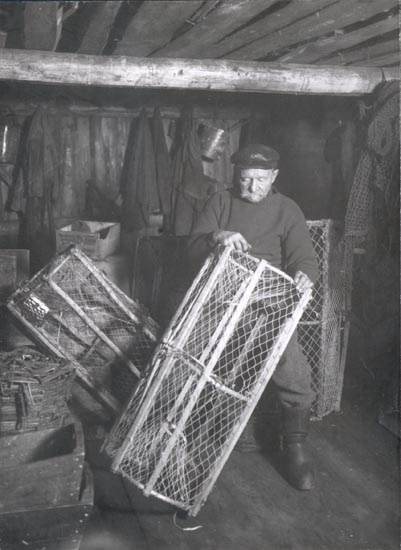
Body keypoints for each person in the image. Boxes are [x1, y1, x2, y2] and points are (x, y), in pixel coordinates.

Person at [187, 143, 319, 491]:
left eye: (260, 179)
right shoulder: (220, 202)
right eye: (245, 179)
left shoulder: (288, 209)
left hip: (268, 303)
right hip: (221, 297)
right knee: (191, 353)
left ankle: (295, 448)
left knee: (291, 363)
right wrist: (216, 236)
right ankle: (183, 434)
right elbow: (191, 248)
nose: (252, 187)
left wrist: (305, 275)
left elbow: (304, 259)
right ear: (236, 176)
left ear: (274, 176)